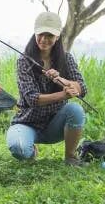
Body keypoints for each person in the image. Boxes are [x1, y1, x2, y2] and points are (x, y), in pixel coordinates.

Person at [6, 12, 88, 166]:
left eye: (49, 35)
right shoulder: (24, 61)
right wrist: (63, 95)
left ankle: (70, 157)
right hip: (26, 123)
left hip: (54, 126)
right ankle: (31, 150)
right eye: (40, 34)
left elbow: (82, 88)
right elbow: (32, 99)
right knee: (19, 149)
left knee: (76, 109)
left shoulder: (66, 58)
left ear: (57, 37)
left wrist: (63, 80)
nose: (44, 39)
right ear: (35, 33)